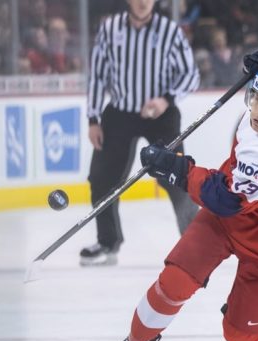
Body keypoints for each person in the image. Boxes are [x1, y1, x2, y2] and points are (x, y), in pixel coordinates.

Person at [83, 49, 258, 341]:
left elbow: (223, 198)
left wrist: (174, 167)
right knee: (174, 280)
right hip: (237, 212)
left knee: (241, 336)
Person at [82, 0, 200, 266]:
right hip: (120, 113)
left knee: (177, 176)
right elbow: (98, 76)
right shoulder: (110, 29)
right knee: (102, 177)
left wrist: (166, 99)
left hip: (161, 113)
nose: (143, 2)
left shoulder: (170, 31)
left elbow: (190, 74)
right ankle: (107, 241)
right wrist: (93, 118)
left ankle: (196, 242)